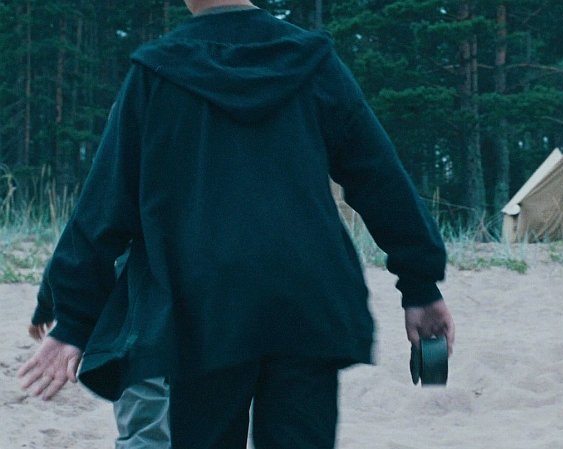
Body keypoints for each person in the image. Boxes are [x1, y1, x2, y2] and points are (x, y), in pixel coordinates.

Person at [18, 1, 455, 448]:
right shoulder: (313, 63)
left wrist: (74, 321)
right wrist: (420, 286)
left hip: (202, 308)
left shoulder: (157, 73)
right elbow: (379, 179)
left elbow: (104, 208)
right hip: (305, 301)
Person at [27, 257, 171, 448]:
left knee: (145, 427)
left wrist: (45, 309)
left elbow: (67, 260)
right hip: (190, 317)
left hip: (137, 329)